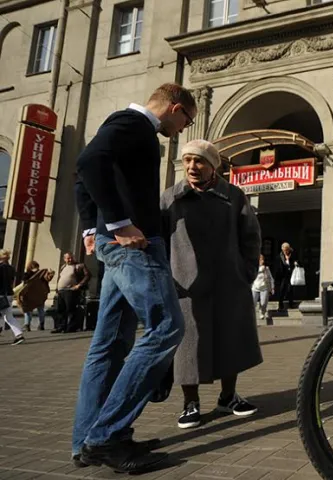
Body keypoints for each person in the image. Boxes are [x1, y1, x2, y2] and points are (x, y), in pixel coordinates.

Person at [72, 83, 195, 472]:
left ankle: (88, 440)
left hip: (121, 243)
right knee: (166, 328)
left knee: (110, 342)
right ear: (175, 108)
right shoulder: (135, 123)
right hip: (133, 245)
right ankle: (105, 437)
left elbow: (84, 171)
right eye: (185, 121)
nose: (181, 130)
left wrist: (94, 228)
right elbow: (90, 163)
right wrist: (119, 224)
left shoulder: (127, 127)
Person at [161, 139, 263, 429]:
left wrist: (246, 271)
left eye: (200, 161)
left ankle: (228, 397)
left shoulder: (233, 195)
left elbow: (251, 236)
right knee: (188, 345)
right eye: (188, 161)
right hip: (185, 285)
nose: (193, 167)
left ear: (213, 166)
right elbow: (158, 240)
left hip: (229, 281)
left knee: (231, 338)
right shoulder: (170, 198)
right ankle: (190, 403)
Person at [51, 252, 90, 334]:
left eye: (71, 257)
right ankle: (61, 326)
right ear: (64, 259)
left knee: (70, 309)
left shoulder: (79, 266)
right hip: (61, 291)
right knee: (61, 309)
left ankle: (71, 327)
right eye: (68, 258)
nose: (70, 259)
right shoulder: (63, 267)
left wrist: (79, 285)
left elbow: (88, 275)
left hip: (70, 291)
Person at [0, 250, 25, 345]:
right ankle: (19, 335)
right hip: (9, 294)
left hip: (1, 294)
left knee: (8, 316)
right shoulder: (11, 268)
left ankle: (19, 335)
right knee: (8, 316)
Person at [20, 261, 52, 331]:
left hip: (30, 295)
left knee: (28, 310)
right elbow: (47, 281)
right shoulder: (42, 273)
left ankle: (27, 325)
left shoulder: (27, 274)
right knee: (40, 309)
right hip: (40, 295)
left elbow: (24, 284)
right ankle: (41, 324)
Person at [275, 243, 298, 315]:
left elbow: (297, 263)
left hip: (291, 275)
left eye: (287, 250)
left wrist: (293, 263)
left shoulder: (293, 255)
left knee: (290, 289)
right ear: (282, 249)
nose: (286, 252)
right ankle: (280, 304)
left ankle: (291, 303)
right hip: (282, 276)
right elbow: (277, 267)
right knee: (282, 289)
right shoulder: (279, 257)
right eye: (284, 250)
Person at [253, 254, 275, 323]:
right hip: (255, 287)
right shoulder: (254, 268)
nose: (262, 261)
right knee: (253, 303)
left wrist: (272, 287)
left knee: (264, 303)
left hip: (264, 287)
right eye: (260, 259)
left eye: (262, 259)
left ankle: (262, 312)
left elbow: (271, 279)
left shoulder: (266, 268)